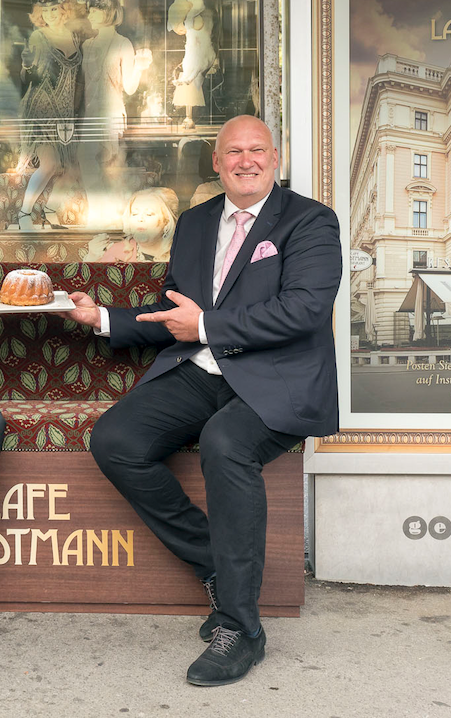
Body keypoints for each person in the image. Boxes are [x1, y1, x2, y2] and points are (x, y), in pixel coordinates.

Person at [61, 115, 341, 686]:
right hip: (201, 370)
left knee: (225, 442)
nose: (245, 160)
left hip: (277, 378)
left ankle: (241, 625)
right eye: (233, 152)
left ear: (275, 158)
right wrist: (102, 318)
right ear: (216, 163)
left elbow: (304, 310)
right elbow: (174, 313)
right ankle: (212, 561)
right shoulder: (194, 223)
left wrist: (208, 324)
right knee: (117, 440)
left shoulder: (311, 221)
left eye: (256, 150)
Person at [80, 0, 152, 227]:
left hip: (110, 113)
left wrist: (140, 67)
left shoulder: (122, 43)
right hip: (89, 115)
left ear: (108, 12)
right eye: (89, 9)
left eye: (94, 9)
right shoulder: (87, 44)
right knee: (88, 162)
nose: (89, 13)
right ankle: (97, 215)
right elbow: (82, 86)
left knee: (107, 164)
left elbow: (130, 87)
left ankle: (109, 217)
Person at [17, 0, 82, 230]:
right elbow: (27, 78)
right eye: (45, 11)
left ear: (64, 10)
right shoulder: (38, 35)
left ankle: (49, 211)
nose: (49, 15)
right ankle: (24, 213)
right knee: (50, 163)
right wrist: (26, 65)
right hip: (41, 107)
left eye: (54, 9)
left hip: (65, 111)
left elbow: (78, 79)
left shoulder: (74, 37)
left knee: (70, 167)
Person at [83, 187, 179, 263]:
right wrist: (92, 257)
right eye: (134, 214)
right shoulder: (117, 252)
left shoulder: (180, 254)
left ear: (166, 223)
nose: (140, 219)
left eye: (149, 214)